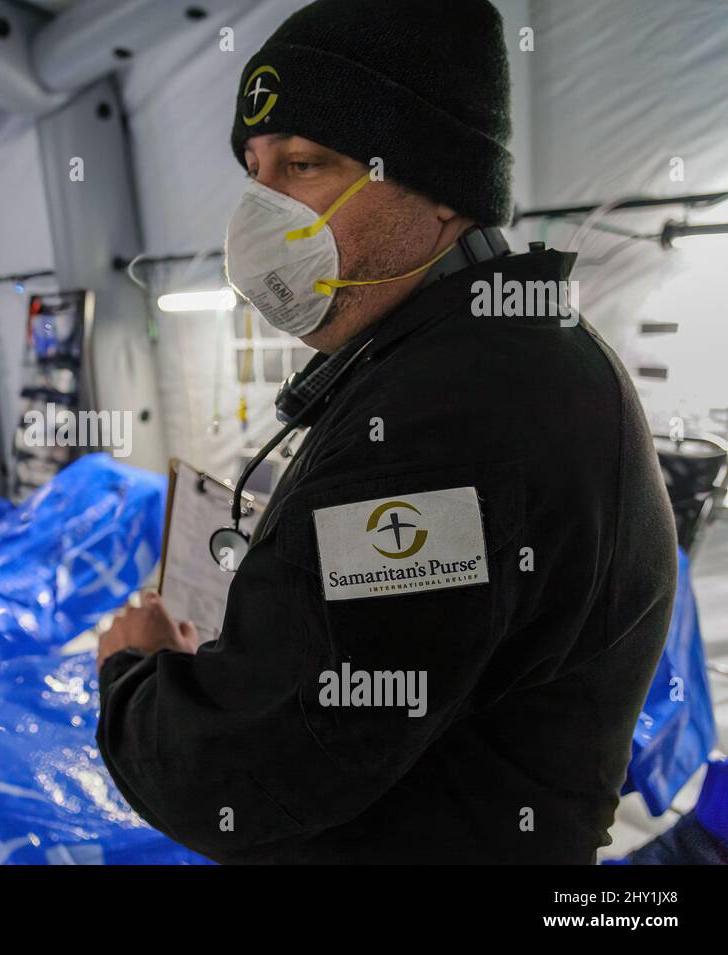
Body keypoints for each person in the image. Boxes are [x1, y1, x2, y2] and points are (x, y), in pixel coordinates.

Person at [96, 0, 678, 863]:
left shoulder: (452, 416)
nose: (260, 213)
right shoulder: (491, 350)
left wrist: (132, 676)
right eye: (255, 172)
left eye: (303, 163)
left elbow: (241, 767)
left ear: (441, 189)